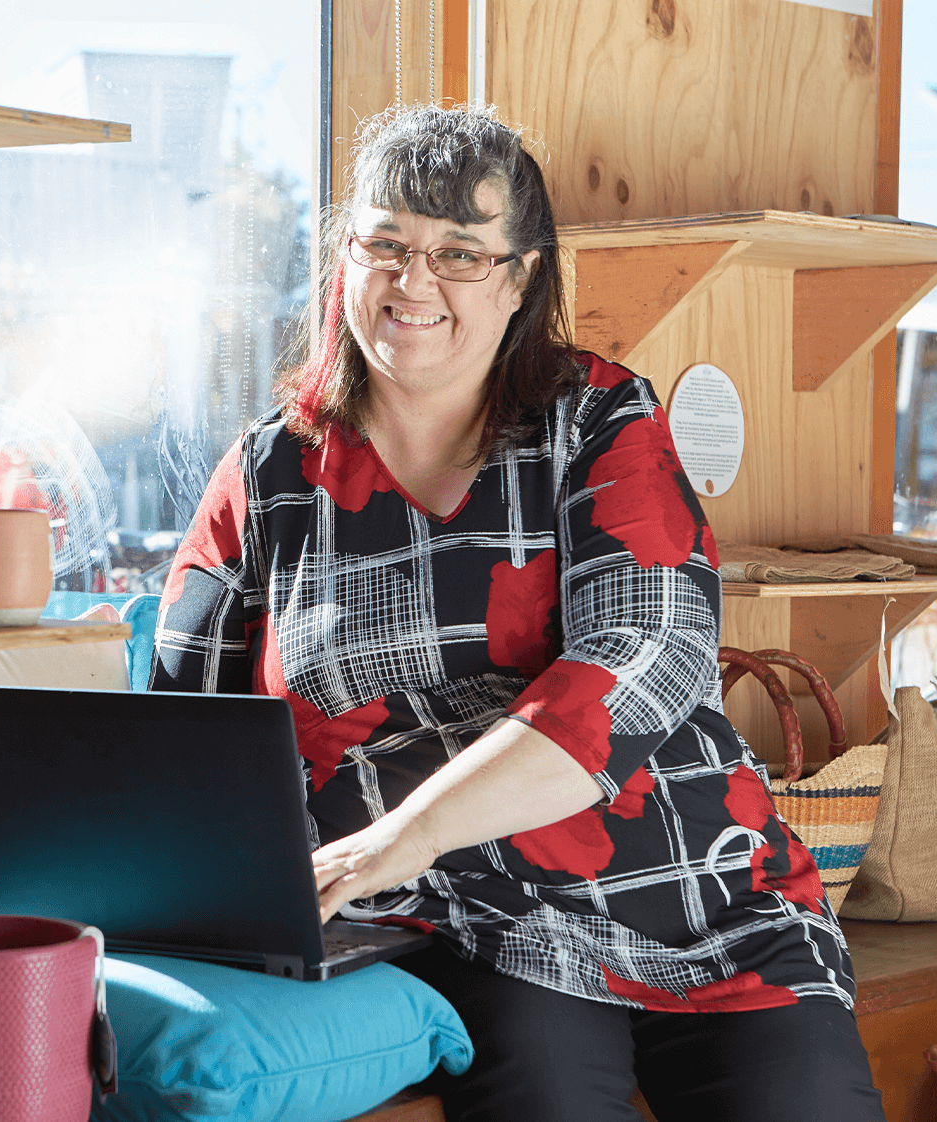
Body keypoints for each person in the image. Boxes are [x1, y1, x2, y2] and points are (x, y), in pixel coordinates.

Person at [150, 103, 884, 1122]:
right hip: (463, 915)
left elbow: (646, 660)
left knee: (807, 1099)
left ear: (523, 276)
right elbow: (177, 729)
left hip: (693, 882)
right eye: (386, 245)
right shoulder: (268, 473)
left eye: (460, 252)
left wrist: (396, 836)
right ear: (345, 257)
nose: (413, 282)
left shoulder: (601, 418)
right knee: (543, 1087)